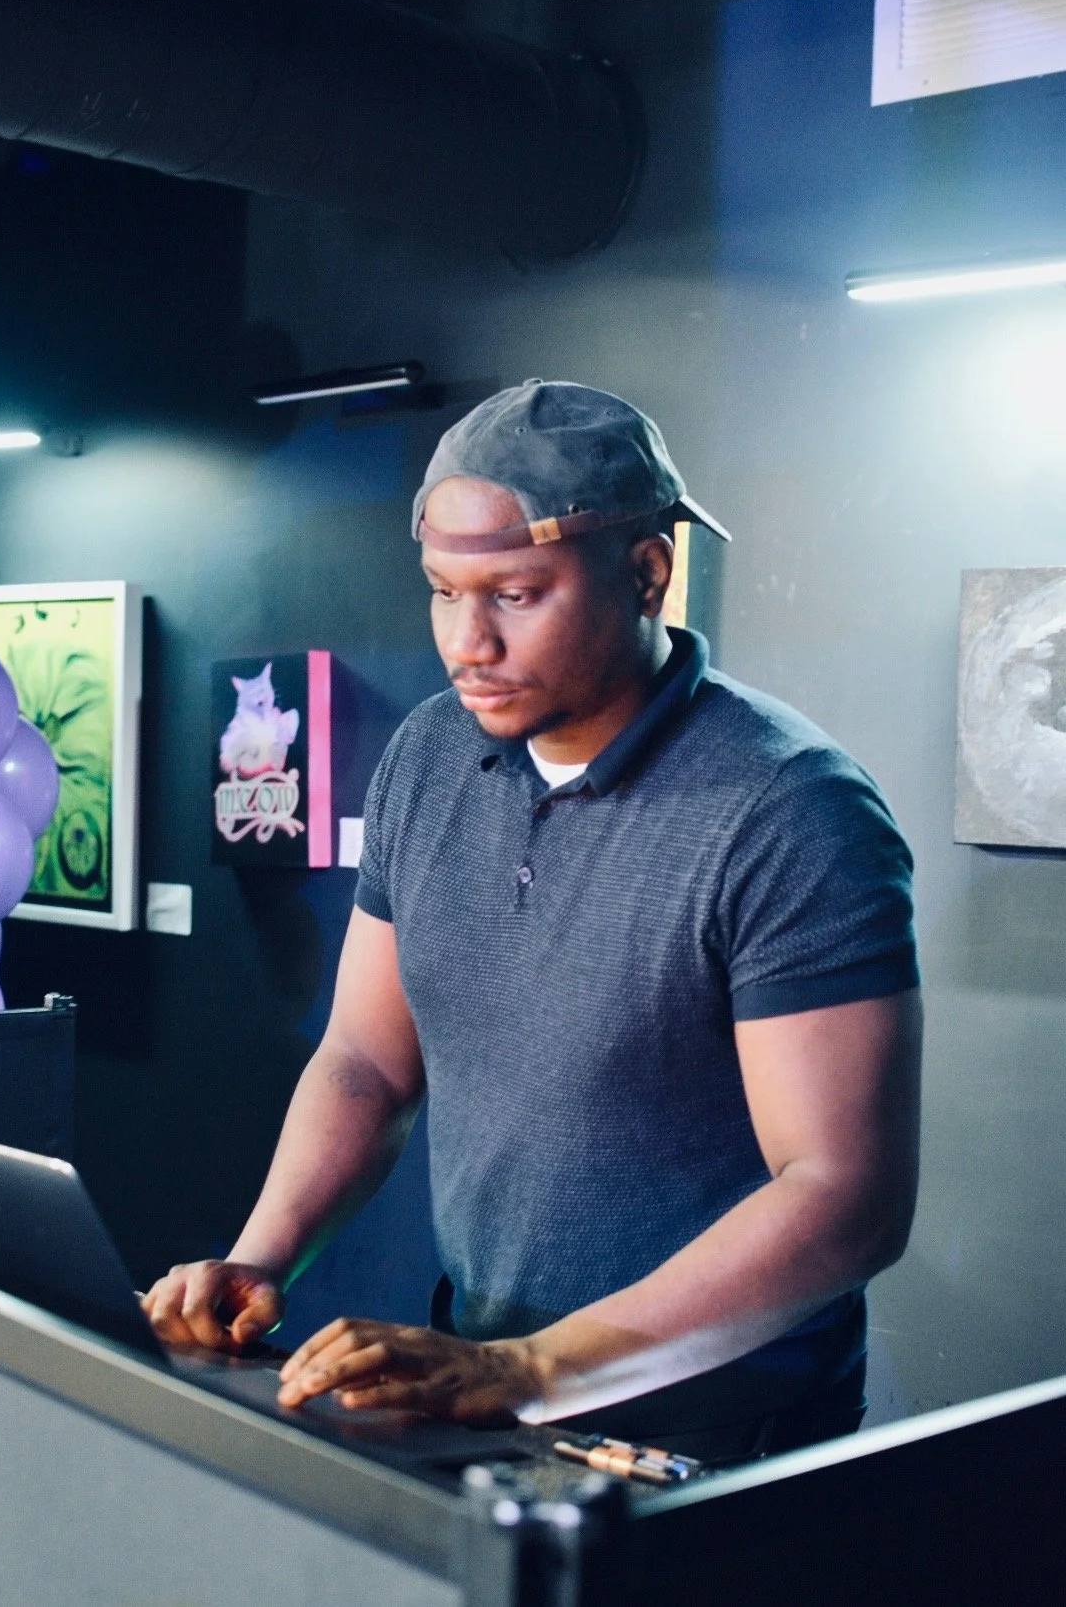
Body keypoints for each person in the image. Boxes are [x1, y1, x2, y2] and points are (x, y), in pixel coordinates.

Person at [144, 380, 921, 1462]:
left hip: (716, 1421)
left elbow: (846, 1199)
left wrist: (536, 1368)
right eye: (442, 591)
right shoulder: (428, 753)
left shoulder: (792, 810)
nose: (468, 642)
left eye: (514, 594)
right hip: (483, 1375)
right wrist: (260, 1259)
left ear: (646, 573)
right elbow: (369, 1060)